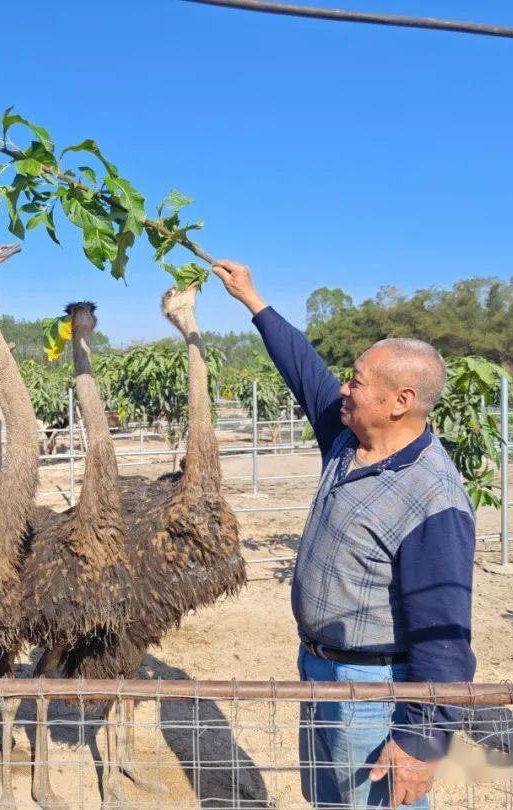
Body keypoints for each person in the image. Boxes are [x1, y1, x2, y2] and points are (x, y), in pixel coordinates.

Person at [212, 259, 476, 809]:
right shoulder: (348, 437)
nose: (343, 389)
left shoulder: (434, 499)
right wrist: (253, 301)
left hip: (375, 692)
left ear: (400, 400)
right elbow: (305, 372)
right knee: (330, 801)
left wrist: (420, 741)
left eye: (356, 380)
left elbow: (445, 638)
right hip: (319, 668)